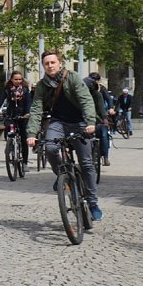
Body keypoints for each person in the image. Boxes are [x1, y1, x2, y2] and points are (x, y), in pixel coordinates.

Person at [27, 50, 102, 221]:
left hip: (80, 122)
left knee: (86, 164)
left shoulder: (72, 77)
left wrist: (90, 122)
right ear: (43, 66)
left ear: (60, 63)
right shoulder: (42, 85)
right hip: (58, 122)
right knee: (50, 148)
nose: (50, 66)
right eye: (46, 63)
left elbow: (86, 100)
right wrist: (31, 133)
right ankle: (62, 174)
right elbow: (36, 109)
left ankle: (92, 203)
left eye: (53, 62)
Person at [0, 71, 31, 165]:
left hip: (23, 115)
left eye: (20, 79)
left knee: (23, 138)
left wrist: (28, 113)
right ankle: (9, 145)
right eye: (16, 79)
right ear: (11, 80)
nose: (18, 81)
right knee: (8, 129)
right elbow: (0, 101)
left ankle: (25, 162)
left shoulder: (25, 90)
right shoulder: (7, 90)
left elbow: (28, 102)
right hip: (11, 114)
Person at [84, 76, 111, 166]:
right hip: (83, 120)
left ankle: (105, 157)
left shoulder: (97, 95)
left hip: (97, 119)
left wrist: (104, 119)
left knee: (104, 135)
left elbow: (101, 108)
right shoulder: (79, 96)